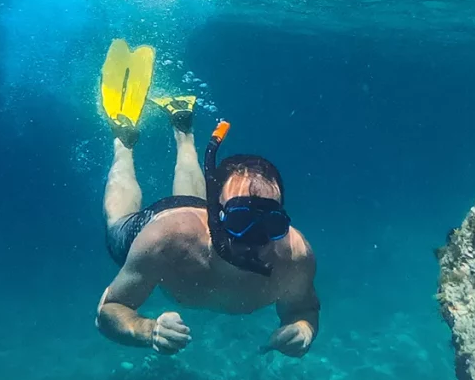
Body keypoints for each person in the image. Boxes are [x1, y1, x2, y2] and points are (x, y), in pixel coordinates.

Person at [94, 40, 319, 358]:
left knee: (190, 198)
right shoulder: (164, 239)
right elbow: (109, 309)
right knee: (117, 221)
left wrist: (303, 330)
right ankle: (124, 141)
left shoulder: (295, 258)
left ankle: (183, 128)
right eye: (242, 221)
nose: (255, 240)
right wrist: (147, 330)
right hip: (168, 224)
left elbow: (304, 309)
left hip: (199, 212)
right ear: (217, 214)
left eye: (271, 224)